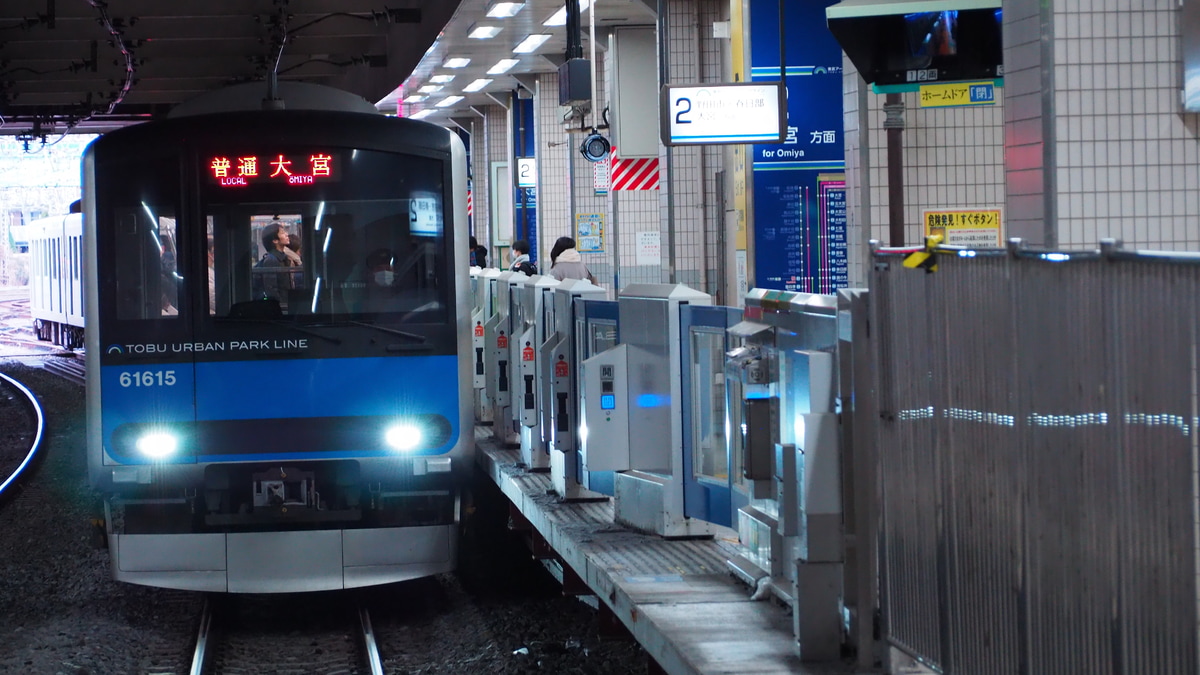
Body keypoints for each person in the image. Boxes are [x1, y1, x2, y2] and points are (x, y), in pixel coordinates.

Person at [254, 221, 299, 305]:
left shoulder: (284, 258)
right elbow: (271, 289)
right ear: (275, 240)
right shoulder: (271, 260)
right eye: (282, 233)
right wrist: (281, 305)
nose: (286, 234)